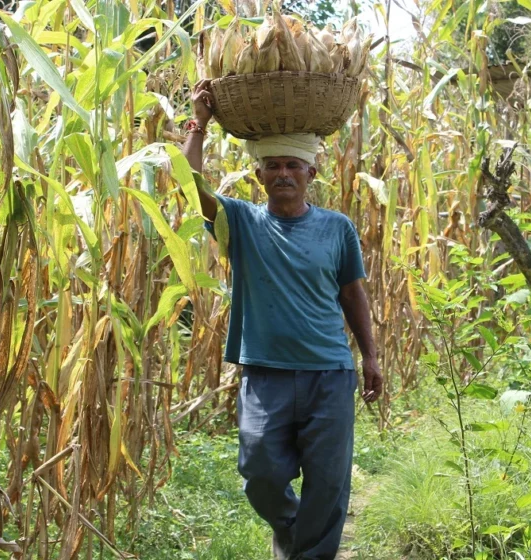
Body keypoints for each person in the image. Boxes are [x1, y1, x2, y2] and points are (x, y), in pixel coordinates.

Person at [181, 79, 383, 560]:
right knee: (261, 472)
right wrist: (199, 123)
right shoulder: (241, 221)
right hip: (265, 374)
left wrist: (371, 356)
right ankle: (295, 534)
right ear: (259, 176)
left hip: (329, 373)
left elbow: (353, 292)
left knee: (329, 481)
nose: (283, 173)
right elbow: (189, 186)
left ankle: (310, 553)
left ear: (311, 171)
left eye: (293, 164)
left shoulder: (337, 228)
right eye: (273, 165)